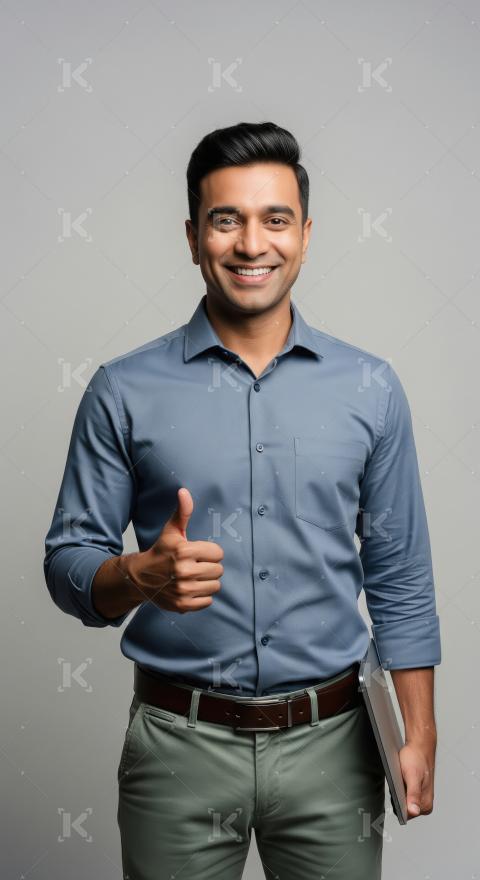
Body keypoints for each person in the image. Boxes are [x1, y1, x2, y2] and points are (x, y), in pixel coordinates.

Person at [43, 121, 441, 880]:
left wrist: (418, 732)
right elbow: (67, 562)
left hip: (336, 747)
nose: (252, 243)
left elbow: (400, 575)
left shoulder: (371, 389)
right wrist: (137, 576)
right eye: (226, 220)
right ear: (194, 237)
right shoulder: (122, 390)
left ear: (306, 235)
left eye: (275, 219)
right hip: (178, 746)